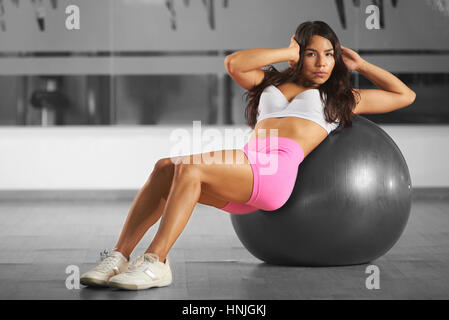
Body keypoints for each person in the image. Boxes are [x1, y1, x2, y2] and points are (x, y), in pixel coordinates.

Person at [80, 20, 416, 290]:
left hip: (273, 175)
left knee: (191, 169)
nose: (322, 62)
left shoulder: (339, 98)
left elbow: (404, 95)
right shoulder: (269, 84)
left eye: (329, 54)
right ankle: (118, 257)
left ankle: (156, 261)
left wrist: (362, 64)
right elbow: (233, 63)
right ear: (297, 54)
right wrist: (286, 50)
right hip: (246, 171)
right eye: (312, 53)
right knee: (166, 167)